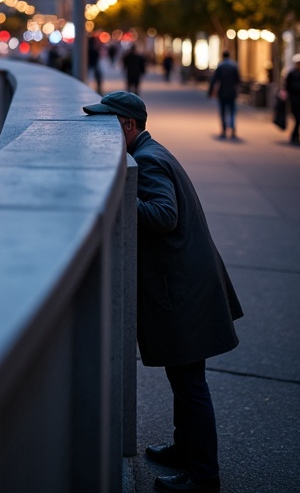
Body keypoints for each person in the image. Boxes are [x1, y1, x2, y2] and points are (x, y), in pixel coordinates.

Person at [83, 90, 243, 493]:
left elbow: (164, 215)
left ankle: (204, 475)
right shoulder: (152, 151)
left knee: (190, 383)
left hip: (183, 290)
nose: (102, 131)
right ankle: (185, 448)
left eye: (108, 123)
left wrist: (117, 195)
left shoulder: (149, 160)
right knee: (184, 376)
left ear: (128, 125)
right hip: (187, 283)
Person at [207, 50, 241, 140]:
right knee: (232, 111)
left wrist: (210, 92)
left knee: (223, 111)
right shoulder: (234, 66)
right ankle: (233, 128)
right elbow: (238, 80)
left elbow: (214, 80)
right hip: (232, 92)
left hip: (222, 92)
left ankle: (224, 129)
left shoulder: (220, 66)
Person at [284, 54, 300, 145]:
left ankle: (295, 135)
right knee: (297, 117)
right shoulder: (291, 74)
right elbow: (287, 86)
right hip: (294, 99)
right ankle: (296, 136)